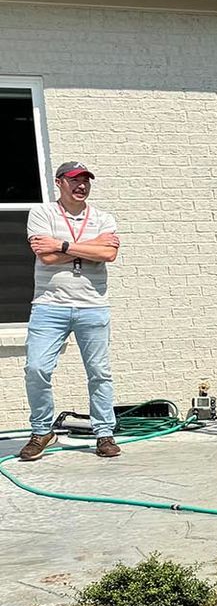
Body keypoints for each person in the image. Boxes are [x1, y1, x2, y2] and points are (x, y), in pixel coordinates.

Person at [18, 161, 122, 460]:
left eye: (86, 180)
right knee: (36, 368)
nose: (82, 186)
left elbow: (109, 254)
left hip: (93, 306)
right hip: (49, 306)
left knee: (99, 373)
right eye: (75, 180)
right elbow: (44, 256)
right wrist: (90, 248)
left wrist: (61, 244)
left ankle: (104, 433)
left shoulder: (103, 217)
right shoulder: (42, 213)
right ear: (59, 182)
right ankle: (42, 431)